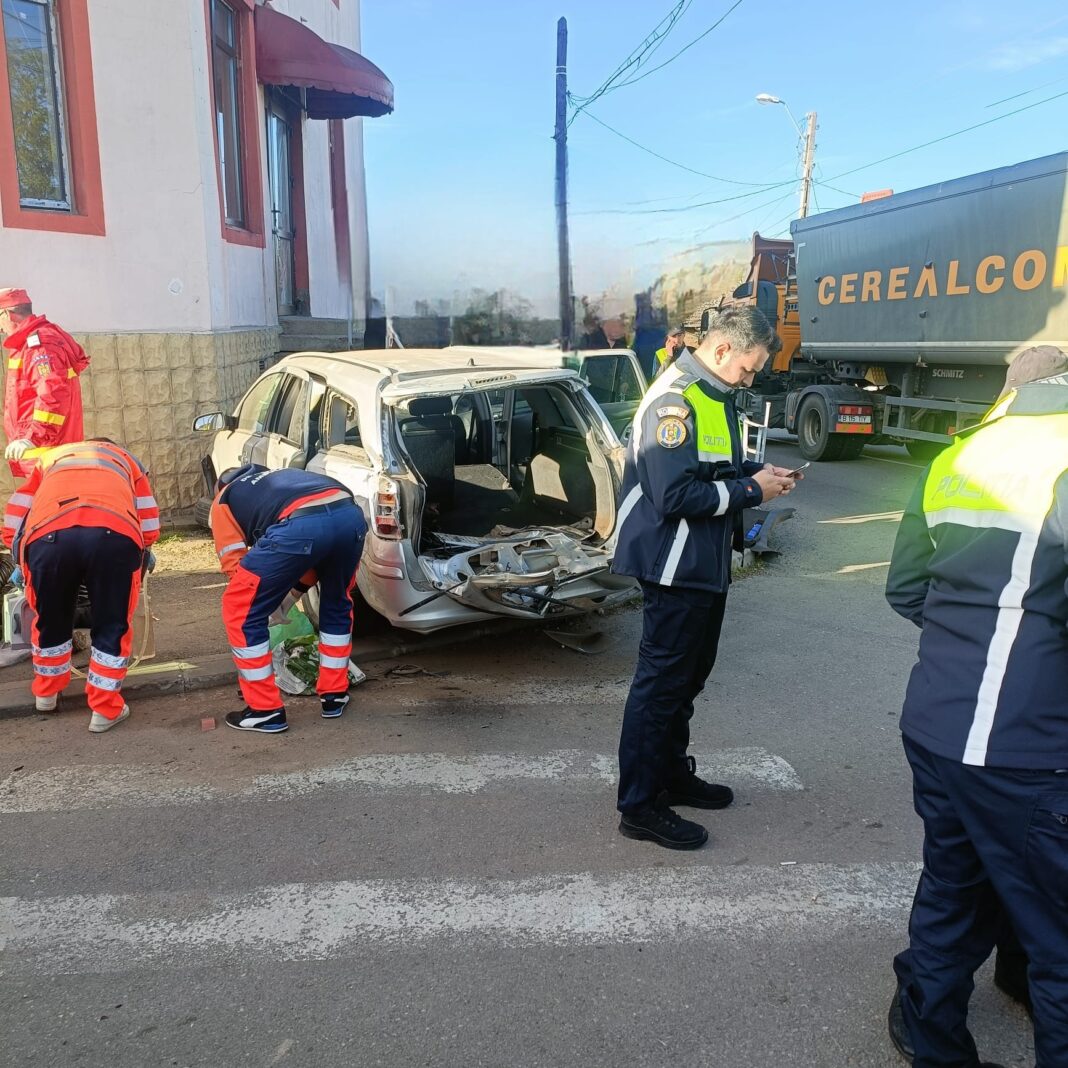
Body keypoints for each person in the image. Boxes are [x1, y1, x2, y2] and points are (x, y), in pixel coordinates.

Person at [884, 344, 1068, 1068]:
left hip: (936, 721)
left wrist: (980, 627)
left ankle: (930, 1037)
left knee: (954, 886)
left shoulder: (958, 454)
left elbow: (905, 589)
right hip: (1026, 744)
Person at [611, 306, 799, 849]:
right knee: (662, 686)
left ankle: (669, 776)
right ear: (721, 351)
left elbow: (708, 469)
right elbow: (673, 495)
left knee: (685, 680)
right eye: (748, 367)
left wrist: (755, 475)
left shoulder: (711, 393)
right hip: (675, 564)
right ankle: (640, 806)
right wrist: (749, 492)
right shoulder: (677, 401)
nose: (751, 377)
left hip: (700, 562)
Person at [1, 439, 160, 732]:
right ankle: (105, 709)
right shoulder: (127, 461)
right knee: (112, 624)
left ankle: (46, 693)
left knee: (51, 617)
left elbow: (18, 510)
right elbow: (148, 520)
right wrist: (143, 549)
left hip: (48, 536)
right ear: (111, 446)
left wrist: (19, 552)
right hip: (114, 534)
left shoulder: (52, 458)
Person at [210, 465, 367, 734]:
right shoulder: (280, 479)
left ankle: (264, 710)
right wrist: (289, 596)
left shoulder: (224, 498)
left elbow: (237, 569)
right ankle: (334, 694)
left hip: (301, 524)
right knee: (337, 602)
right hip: (349, 516)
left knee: (240, 607)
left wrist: (264, 604)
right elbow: (313, 555)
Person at [0, 288, 90, 479]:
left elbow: (53, 394)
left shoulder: (39, 343)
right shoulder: (31, 342)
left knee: (51, 505)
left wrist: (32, 438)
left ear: (7, 313)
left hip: (46, 452)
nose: (0, 328)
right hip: (45, 452)